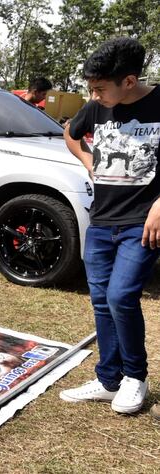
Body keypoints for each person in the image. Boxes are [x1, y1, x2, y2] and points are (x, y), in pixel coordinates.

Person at [59, 37, 160, 415]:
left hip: (142, 223)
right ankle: (108, 379)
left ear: (129, 81)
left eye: (100, 88)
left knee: (121, 297)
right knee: (102, 302)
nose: (94, 95)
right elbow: (70, 132)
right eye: (91, 89)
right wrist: (88, 162)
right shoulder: (97, 106)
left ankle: (136, 377)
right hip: (101, 221)